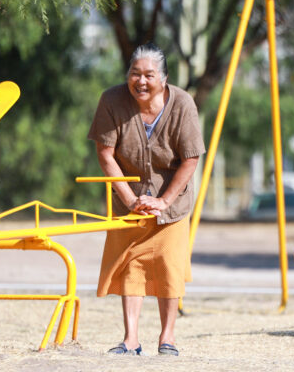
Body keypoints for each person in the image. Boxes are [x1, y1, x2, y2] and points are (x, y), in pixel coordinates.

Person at [88, 43, 205, 356]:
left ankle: (167, 338)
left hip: (173, 205)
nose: (140, 81)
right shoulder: (111, 100)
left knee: (169, 265)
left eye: (148, 75)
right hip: (129, 202)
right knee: (131, 267)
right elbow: (105, 153)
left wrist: (164, 201)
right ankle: (131, 339)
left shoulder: (182, 104)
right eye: (134, 73)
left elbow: (190, 159)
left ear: (163, 79)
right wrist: (129, 198)